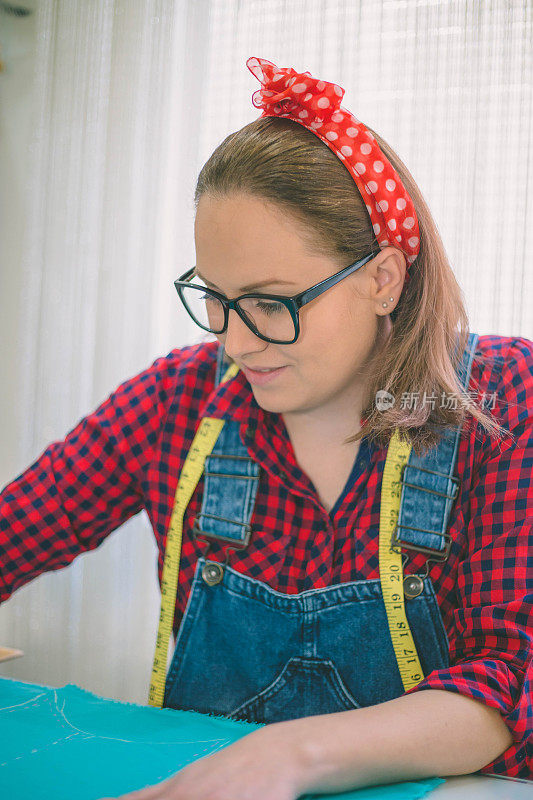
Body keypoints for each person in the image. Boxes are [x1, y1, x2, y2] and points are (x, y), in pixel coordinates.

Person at [1, 56, 532, 798]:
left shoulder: (501, 401)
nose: (235, 340)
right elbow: (18, 525)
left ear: (382, 280)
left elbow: (509, 680)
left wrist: (288, 756)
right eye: (213, 297)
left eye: (271, 302)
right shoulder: (178, 400)